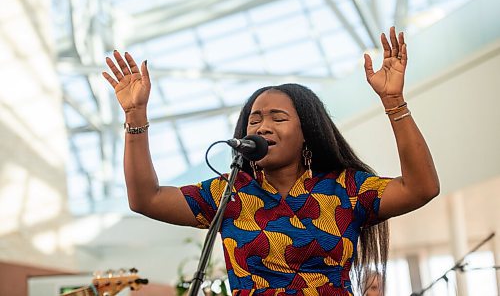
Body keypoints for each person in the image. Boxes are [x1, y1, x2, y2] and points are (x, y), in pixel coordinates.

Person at [102, 27, 439, 296]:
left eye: (278, 118)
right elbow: (146, 198)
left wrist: (394, 102)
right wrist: (135, 115)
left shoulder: (346, 188)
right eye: (255, 119)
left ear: (306, 131)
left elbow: (421, 188)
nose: (263, 126)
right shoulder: (230, 191)